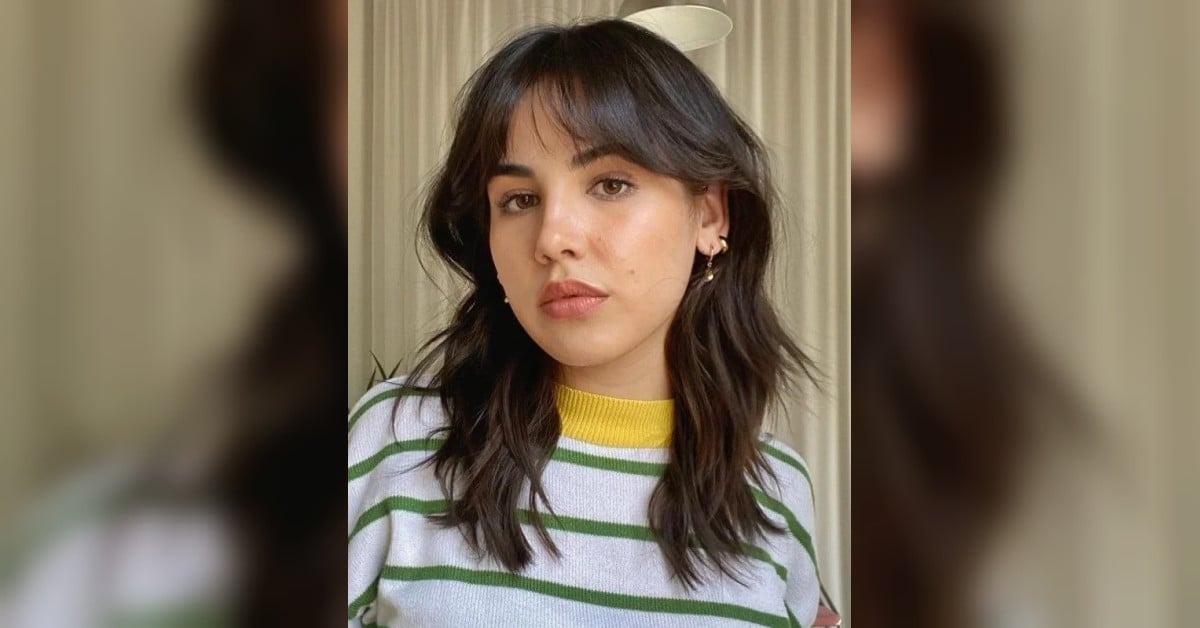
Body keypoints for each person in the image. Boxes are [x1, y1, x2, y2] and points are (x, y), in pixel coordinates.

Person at [348, 19, 824, 627]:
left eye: (610, 184)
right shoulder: (397, 442)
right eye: (519, 200)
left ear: (708, 215)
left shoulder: (777, 492)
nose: (552, 239)